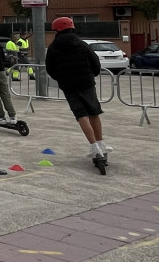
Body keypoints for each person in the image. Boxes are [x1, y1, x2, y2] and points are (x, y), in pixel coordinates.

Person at [44, 16, 111, 168]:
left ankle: (94, 147)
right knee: (94, 112)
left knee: (81, 115)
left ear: (57, 30)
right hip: (87, 83)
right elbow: (96, 63)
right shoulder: (82, 44)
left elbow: (50, 69)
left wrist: (61, 79)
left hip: (69, 86)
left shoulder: (54, 47)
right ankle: (101, 143)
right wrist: (90, 75)